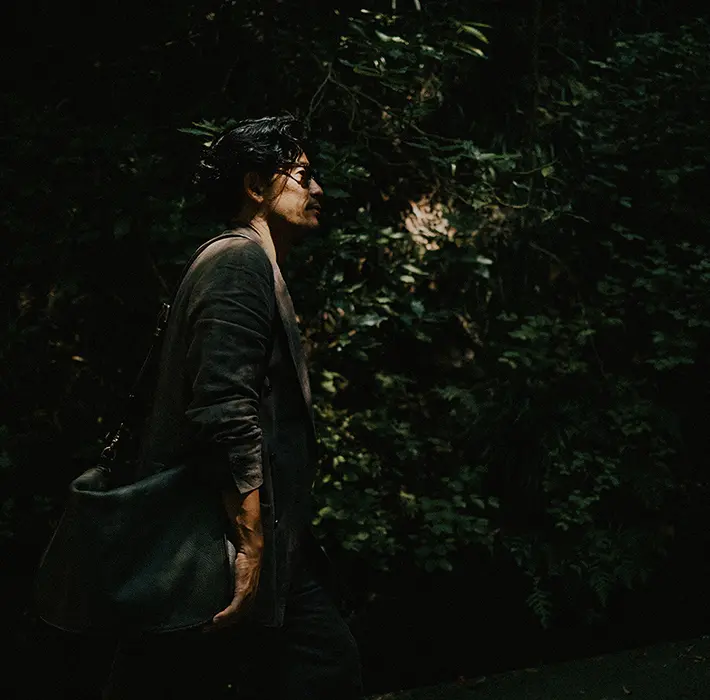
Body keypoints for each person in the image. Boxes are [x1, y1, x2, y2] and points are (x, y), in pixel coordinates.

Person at [102, 115, 363, 699]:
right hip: (217, 541)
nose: (318, 189)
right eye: (303, 175)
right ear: (255, 185)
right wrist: (250, 543)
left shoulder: (249, 262)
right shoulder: (238, 263)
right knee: (321, 667)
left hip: (249, 538)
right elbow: (224, 408)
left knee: (316, 666)